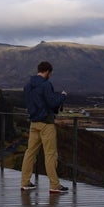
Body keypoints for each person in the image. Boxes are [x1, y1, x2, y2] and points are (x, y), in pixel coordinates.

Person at [21, 61, 68, 193]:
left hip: (33, 122)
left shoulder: (28, 85)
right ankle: (54, 185)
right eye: (50, 73)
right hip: (46, 123)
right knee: (50, 154)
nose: (50, 76)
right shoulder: (46, 84)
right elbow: (52, 102)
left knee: (30, 153)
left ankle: (25, 182)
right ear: (47, 71)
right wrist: (62, 96)